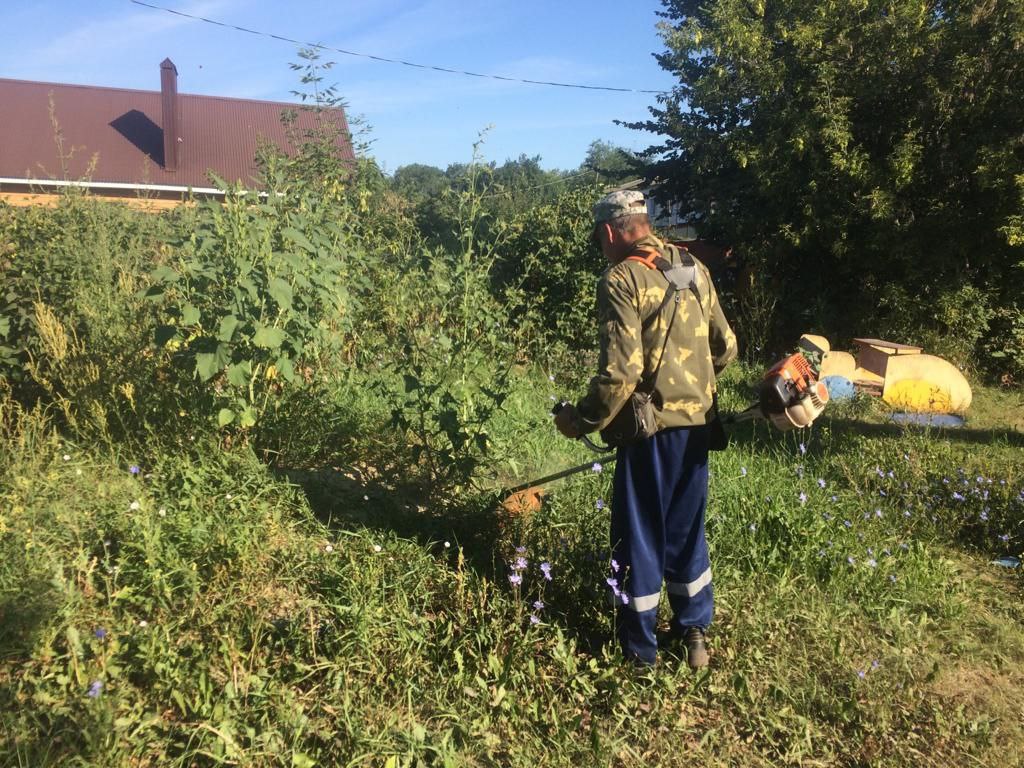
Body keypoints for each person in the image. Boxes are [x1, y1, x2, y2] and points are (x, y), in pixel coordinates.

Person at [554, 190, 737, 668]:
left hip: (650, 432)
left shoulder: (622, 278)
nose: (602, 247)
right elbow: (726, 348)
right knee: (686, 530)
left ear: (612, 232)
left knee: (639, 535)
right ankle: (693, 631)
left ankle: (639, 650)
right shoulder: (694, 269)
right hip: (698, 428)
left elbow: (620, 374)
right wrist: (691, 384)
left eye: (600, 239)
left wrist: (581, 420)